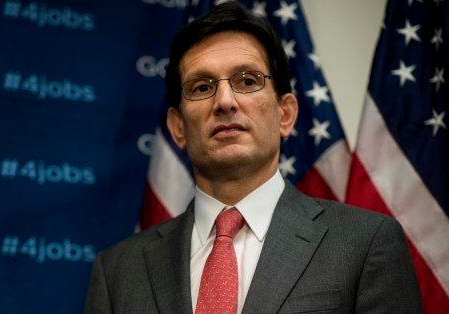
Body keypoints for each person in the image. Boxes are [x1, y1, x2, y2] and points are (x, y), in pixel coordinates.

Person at [85, 2, 421, 313]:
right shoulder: (116, 272)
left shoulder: (365, 244)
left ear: (285, 114)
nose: (225, 101)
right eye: (202, 87)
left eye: (247, 80)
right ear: (178, 128)